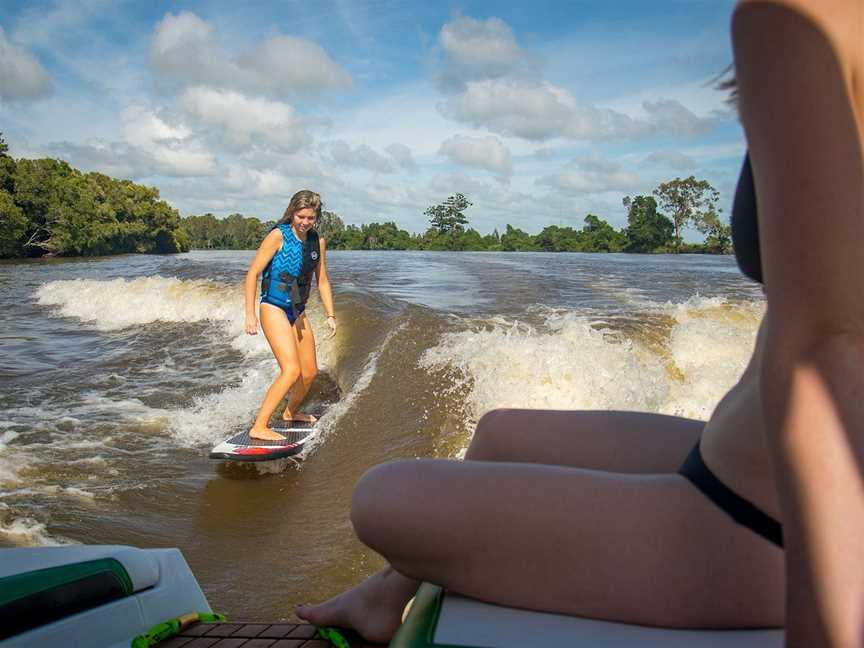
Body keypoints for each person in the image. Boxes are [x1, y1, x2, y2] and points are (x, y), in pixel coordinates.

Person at [297, 1, 864, 645]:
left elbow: (827, 345)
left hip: (770, 524)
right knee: (500, 433)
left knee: (381, 499)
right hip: (740, 465)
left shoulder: (799, 14)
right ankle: (384, 594)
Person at [244, 190, 336, 441]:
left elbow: (323, 281)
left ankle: (289, 413)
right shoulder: (278, 236)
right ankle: (259, 426)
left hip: (297, 310)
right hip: (273, 307)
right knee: (291, 370)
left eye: (311, 217)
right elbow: (252, 274)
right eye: (301, 216)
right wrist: (250, 315)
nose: (305, 222)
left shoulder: (317, 242)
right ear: (292, 212)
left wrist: (330, 314)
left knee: (309, 372)